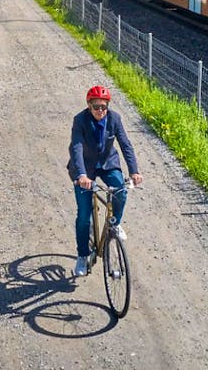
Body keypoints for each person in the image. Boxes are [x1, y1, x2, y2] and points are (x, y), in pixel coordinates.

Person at [67, 85, 143, 277]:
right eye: (96, 106)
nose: (100, 110)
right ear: (89, 105)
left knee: (121, 190)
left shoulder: (115, 118)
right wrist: (82, 176)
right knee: (84, 215)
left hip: (108, 163)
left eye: (103, 106)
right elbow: (76, 148)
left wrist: (134, 171)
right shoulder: (80, 120)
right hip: (84, 167)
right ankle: (83, 255)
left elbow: (125, 144)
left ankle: (114, 224)